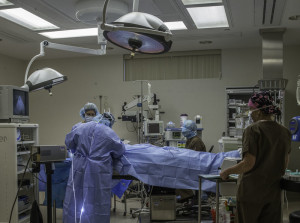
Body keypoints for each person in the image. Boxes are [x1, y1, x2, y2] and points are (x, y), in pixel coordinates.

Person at [220, 92, 291, 223]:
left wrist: (227, 171)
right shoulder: (285, 132)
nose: (250, 113)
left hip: (251, 192)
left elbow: (248, 163)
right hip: (273, 192)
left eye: (251, 110)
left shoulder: (253, 130)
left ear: (259, 112)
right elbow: (285, 163)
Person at [63, 114, 124, 223]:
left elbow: (69, 142)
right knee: (97, 202)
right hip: (98, 170)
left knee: (75, 199)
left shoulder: (81, 127)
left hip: (79, 167)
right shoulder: (109, 133)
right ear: (110, 123)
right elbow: (120, 150)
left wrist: (77, 151)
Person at [176, 120, 206, 202]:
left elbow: (195, 158)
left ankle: (188, 195)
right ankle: (185, 195)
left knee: (176, 175)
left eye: (185, 129)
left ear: (190, 130)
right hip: (191, 166)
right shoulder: (189, 140)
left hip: (196, 168)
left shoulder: (196, 141)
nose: (183, 131)